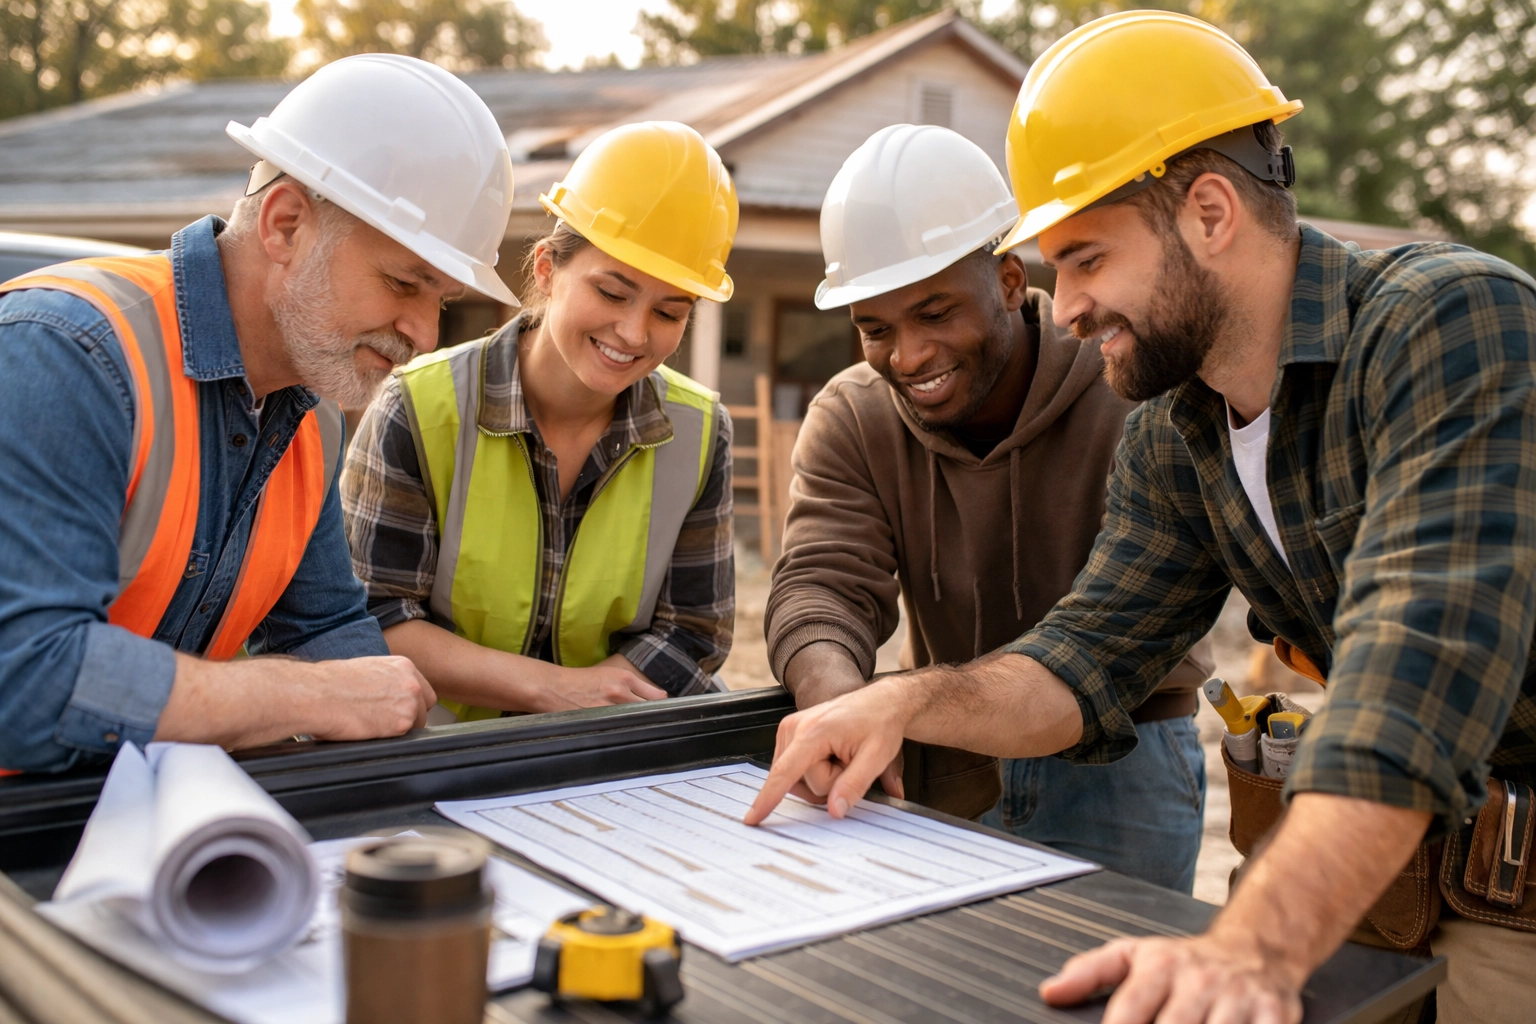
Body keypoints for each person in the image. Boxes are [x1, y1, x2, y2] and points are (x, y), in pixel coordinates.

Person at [745, 11, 1536, 1024]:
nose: (1064, 307)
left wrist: (1248, 946)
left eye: (1085, 257)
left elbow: (1413, 673)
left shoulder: (1451, 320)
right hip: (1390, 878)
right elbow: (1083, 657)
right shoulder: (1178, 430)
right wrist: (900, 703)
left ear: (1209, 212)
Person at [0, 53, 524, 772]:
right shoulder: (69, 355)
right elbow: (27, 682)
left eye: (439, 300)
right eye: (404, 282)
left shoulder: (312, 414)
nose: (424, 336)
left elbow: (327, 627)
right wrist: (302, 697)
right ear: (284, 226)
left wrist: (409, 785)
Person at [767, 124, 1213, 890]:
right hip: (937, 756)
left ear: (1009, 280)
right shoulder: (853, 416)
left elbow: (1112, 637)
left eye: (936, 314)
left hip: (1125, 757)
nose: (908, 355)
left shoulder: (1128, 385)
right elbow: (821, 585)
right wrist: (839, 706)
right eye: (876, 329)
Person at [342, 121, 737, 720]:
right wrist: (552, 690)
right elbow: (371, 616)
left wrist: (587, 712)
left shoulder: (701, 432)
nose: (633, 333)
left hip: (605, 760)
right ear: (548, 269)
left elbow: (694, 632)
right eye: (611, 292)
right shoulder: (420, 409)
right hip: (431, 760)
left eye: (669, 312)